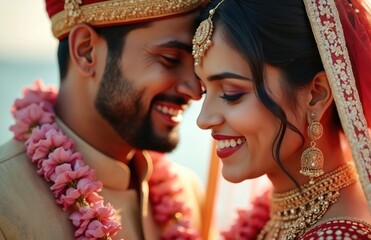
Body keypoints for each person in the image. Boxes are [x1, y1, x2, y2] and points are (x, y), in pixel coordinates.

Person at [193, 0, 371, 239]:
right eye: (205, 90)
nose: (203, 119)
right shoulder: (278, 219)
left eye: (231, 93)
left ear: (316, 95)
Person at [0, 0, 216, 239]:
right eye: (170, 59)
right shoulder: (6, 198)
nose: (196, 91)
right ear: (86, 51)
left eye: (197, 64)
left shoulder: (188, 192)